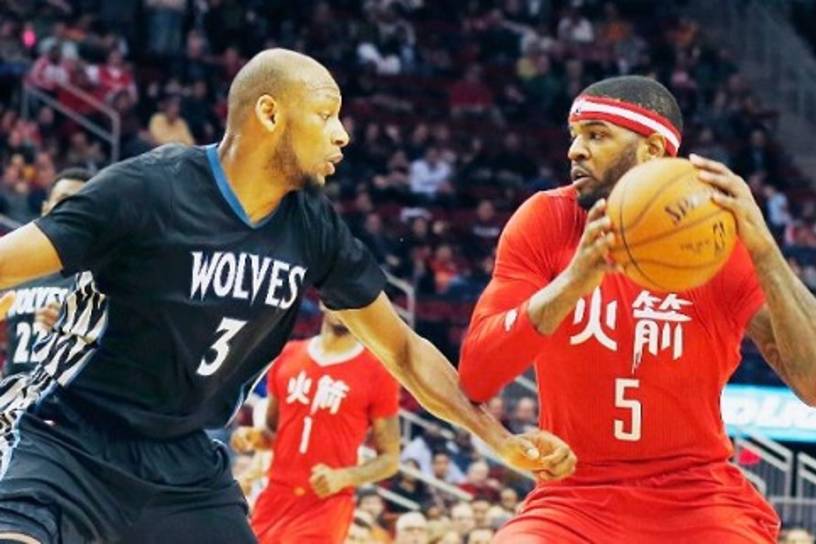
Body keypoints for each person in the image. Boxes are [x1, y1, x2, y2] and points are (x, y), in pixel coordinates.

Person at [0, 48, 573, 543]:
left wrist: (498, 438)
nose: (342, 134)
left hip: (183, 463)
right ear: (270, 113)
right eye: (326, 114)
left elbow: (402, 350)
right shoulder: (147, 190)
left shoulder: (312, 227)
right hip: (69, 439)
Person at [459, 75, 816, 542]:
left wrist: (765, 251)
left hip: (699, 498)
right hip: (573, 497)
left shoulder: (717, 236)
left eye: (596, 135)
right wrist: (573, 282)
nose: (575, 150)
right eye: (575, 135)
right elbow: (477, 376)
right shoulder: (546, 219)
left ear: (652, 150)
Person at [230, 307, 401, 543]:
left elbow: (390, 460)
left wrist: (344, 477)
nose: (345, 305)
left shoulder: (378, 373)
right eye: (340, 296)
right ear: (323, 301)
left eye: (354, 300)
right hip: (276, 496)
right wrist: (252, 437)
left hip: (326, 503)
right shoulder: (288, 354)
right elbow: (271, 434)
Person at [1, 168, 92, 378]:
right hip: (13, 391)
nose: (69, 211)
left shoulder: (99, 280)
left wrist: (74, 328)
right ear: (45, 208)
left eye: (78, 205)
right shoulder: (18, 268)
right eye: (62, 200)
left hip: (62, 393)